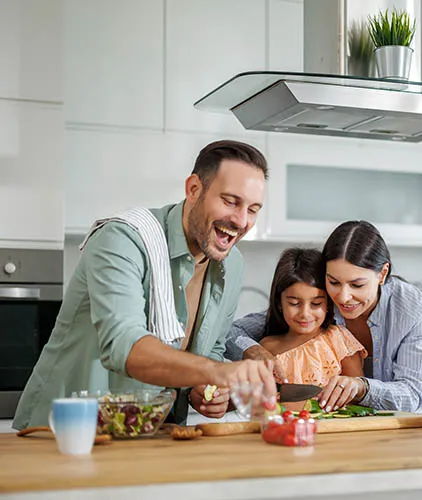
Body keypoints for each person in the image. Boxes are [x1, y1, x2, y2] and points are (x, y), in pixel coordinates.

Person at [13, 140, 277, 430]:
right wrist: (220, 372)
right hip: (66, 431)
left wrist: (204, 389)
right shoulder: (123, 239)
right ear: (193, 189)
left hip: (151, 433)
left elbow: (210, 348)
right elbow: (123, 345)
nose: (241, 220)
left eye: (253, 209)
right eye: (230, 201)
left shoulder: (233, 264)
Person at [227, 221, 422, 413]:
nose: (342, 297)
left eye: (357, 285)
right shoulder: (320, 299)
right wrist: (253, 351)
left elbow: (411, 395)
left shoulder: (410, 308)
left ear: (382, 274)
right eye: (333, 282)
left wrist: (361, 387)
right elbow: (231, 332)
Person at [260, 248, 366, 409]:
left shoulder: (338, 339)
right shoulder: (266, 349)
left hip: (335, 429)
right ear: (279, 303)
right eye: (294, 303)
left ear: (328, 304)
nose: (305, 314)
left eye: (316, 304)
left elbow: (358, 395)